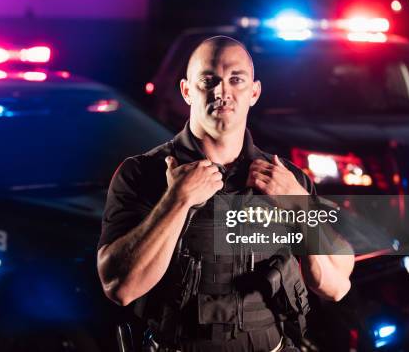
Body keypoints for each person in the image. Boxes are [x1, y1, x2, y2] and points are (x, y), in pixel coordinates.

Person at [97, 36, 354, 351]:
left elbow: (336, 286)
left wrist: (298, 206)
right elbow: (120, 288)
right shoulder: (142, 174)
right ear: (187, 91)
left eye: (236, 80)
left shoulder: (287, 179)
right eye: (209, 80)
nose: (222, 91)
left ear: (254, 92)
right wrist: (176, 201)